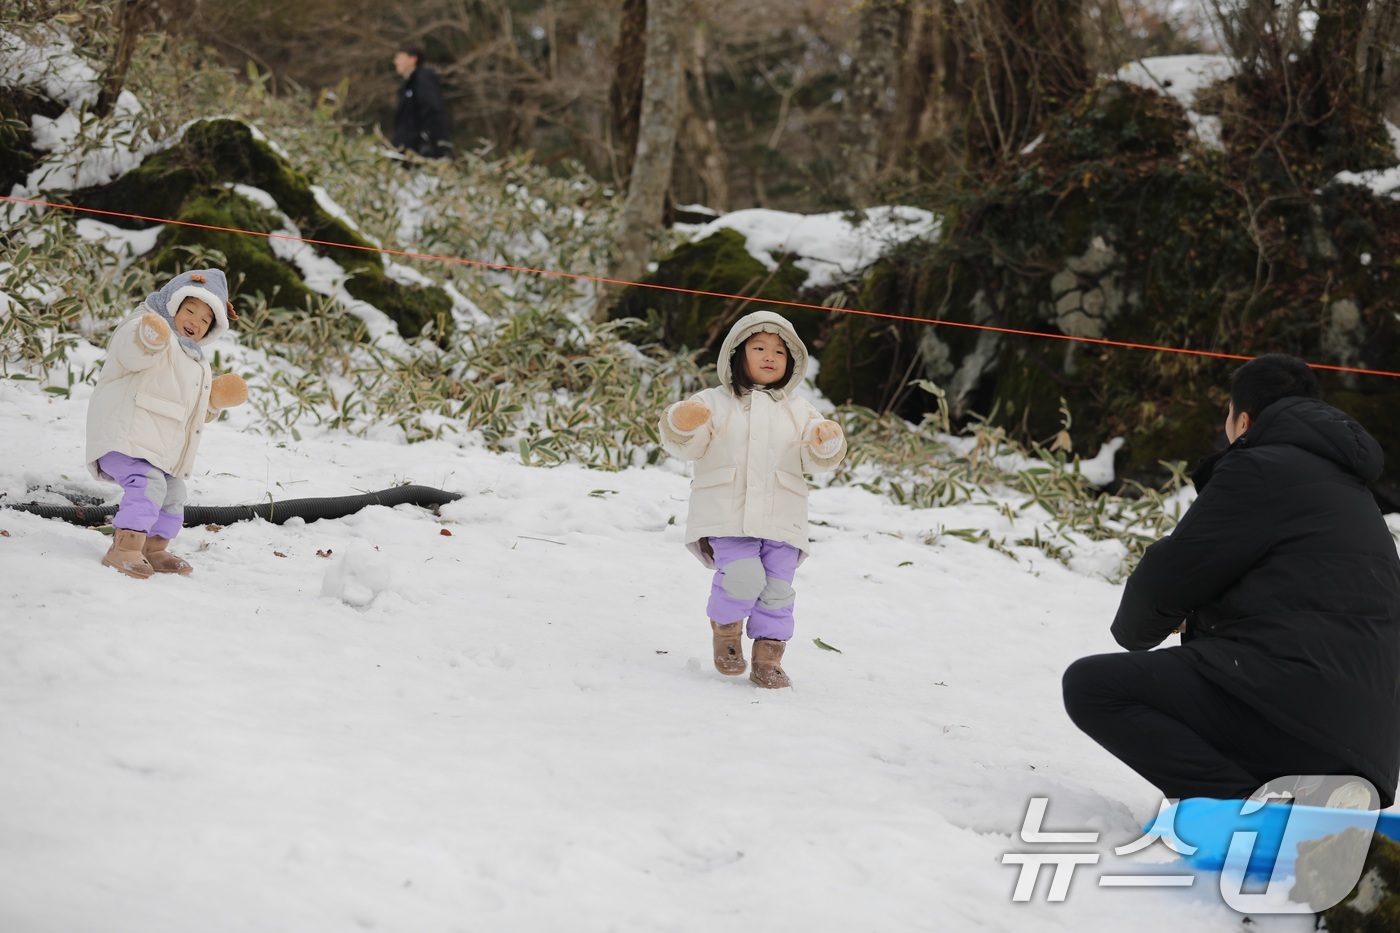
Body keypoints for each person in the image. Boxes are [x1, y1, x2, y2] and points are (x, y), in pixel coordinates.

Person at [1062, 354, 1400, 808]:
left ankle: (1244, 809)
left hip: (1289, 709)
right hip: (1369, 746)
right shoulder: (1354, 494)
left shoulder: (1260, 468)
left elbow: (1166, 578)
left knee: (1093, 687)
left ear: (1243, 419)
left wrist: (1142, 629)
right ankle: (1305, 796)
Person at [659, 310, 847, 688]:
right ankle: (726, 631)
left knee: (778, 590)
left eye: (780, 351)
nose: (769, 356)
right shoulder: (714, 401)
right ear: (737, 355)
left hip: (782, 516)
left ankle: (768, 656)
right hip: (728, 514)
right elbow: (687, 445)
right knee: (744, 577)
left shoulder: (799, 409)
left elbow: (815, 457)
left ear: (792, 361)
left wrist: (827, 442)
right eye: (759, 347)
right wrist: (682, 422)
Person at [86, 269, 249, 579]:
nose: (195, 322)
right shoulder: (142, 327)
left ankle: (154, 547)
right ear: (173, 306)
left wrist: (211, 400)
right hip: (123, 435)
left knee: (174, 492)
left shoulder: (194, 360)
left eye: (205, 320)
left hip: (157, 450)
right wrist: (147, 339)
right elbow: (130, 355)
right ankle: (125, 547)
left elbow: (188, 412)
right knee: (149, 484)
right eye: (190, 310)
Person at [391, 45, 452, 159]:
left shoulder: (423, 79)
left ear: (413, 59)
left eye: (399, 58)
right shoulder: (407, 85)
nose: (395, 62)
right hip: (406, 150)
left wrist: (429, 143)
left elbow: (433, 111)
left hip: (421, 152)